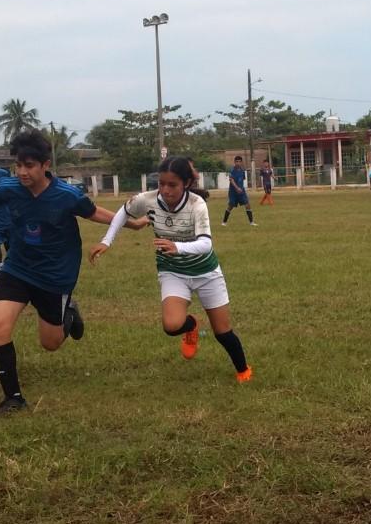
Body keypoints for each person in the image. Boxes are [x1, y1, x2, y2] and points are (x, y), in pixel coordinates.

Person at [0, 128, 117, 417]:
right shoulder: (9, 188)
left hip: (54, 276)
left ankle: (69, 313)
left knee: (50, 344)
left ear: (45, 165)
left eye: (29, 166)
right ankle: (13, 399)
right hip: (18, 268)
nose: (22, 172)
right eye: (18, 165)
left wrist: (131, 222)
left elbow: (94, 213)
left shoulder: (66, 195)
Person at [90, 156, 253, 383]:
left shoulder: (197, 204)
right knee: (172, 325)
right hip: (173, 272)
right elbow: (123, 212)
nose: (165, 190)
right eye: (162, 184)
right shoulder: (147, 200)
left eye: (172, 185)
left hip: (206, 273)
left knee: (223, 332)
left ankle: (243, 369)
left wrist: (178, 246)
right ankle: (192, 325)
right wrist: (107, 241)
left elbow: (206, 244)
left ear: (186, 183)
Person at [222, 155, 255, 226]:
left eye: (239, 162)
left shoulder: (242, 171)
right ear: (234, 162)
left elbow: (242, 179)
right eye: (237, 162)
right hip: (233, 192)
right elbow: (231, 180)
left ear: (241, 162)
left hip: (241, 191)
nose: (238, 163)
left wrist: (241, 188)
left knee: (247, 205)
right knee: (230, 206)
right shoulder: (232, 170)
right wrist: (237, 188)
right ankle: (224, 222)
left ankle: (251, 222)